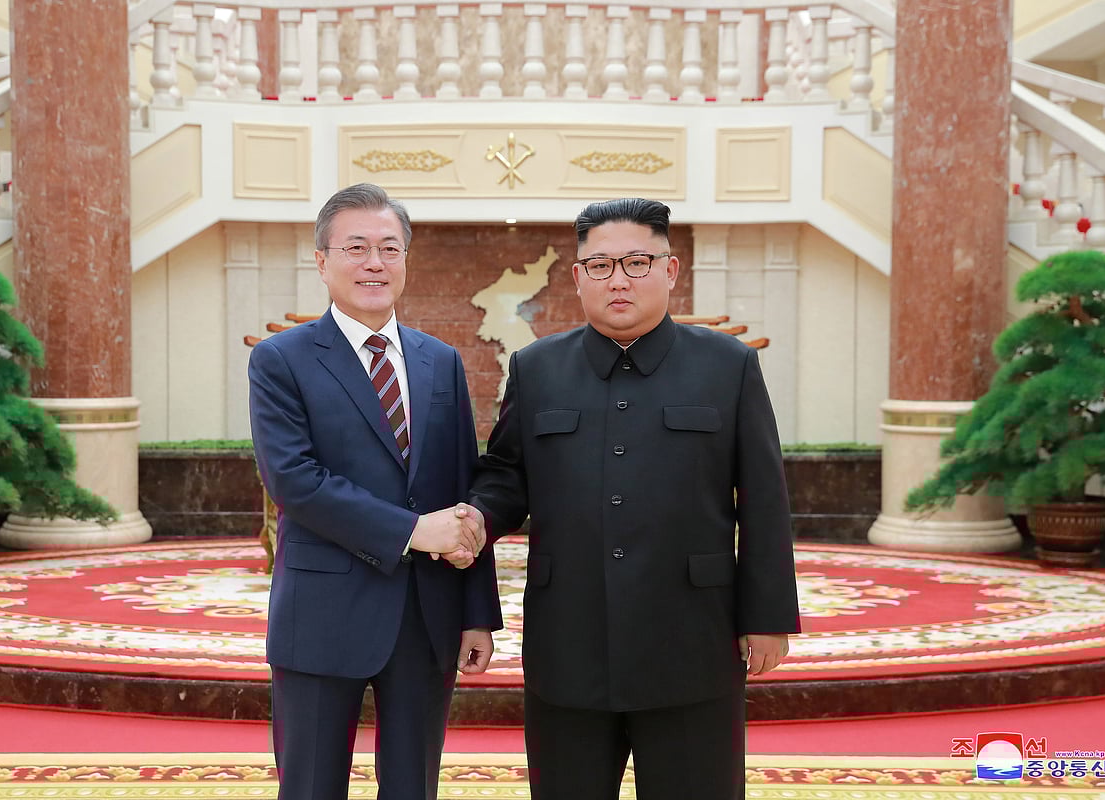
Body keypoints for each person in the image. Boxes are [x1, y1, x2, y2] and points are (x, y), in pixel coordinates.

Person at [466, 197, 801, 800]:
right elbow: (507, 477)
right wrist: (473, 518)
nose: (618, 279)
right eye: (600, 266)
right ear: (578, 277)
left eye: (638, 262)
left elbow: (764, 500)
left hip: (693, 643)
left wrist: (770, 617)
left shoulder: (728, 367)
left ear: (671, 271)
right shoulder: (537, 368)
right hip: (569, 643)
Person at [248, 182, 502, 800]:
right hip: (322, 610)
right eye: (356, 247)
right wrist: (413, 532)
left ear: (406, 260)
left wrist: (476, 614)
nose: (374, 263)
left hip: (427, 613)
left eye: (389, 248)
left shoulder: (439, 360)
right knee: (310, 786)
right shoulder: (281, 359)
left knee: (414, 787)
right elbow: (295, 480)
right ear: (321, 260)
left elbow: (463, 485)